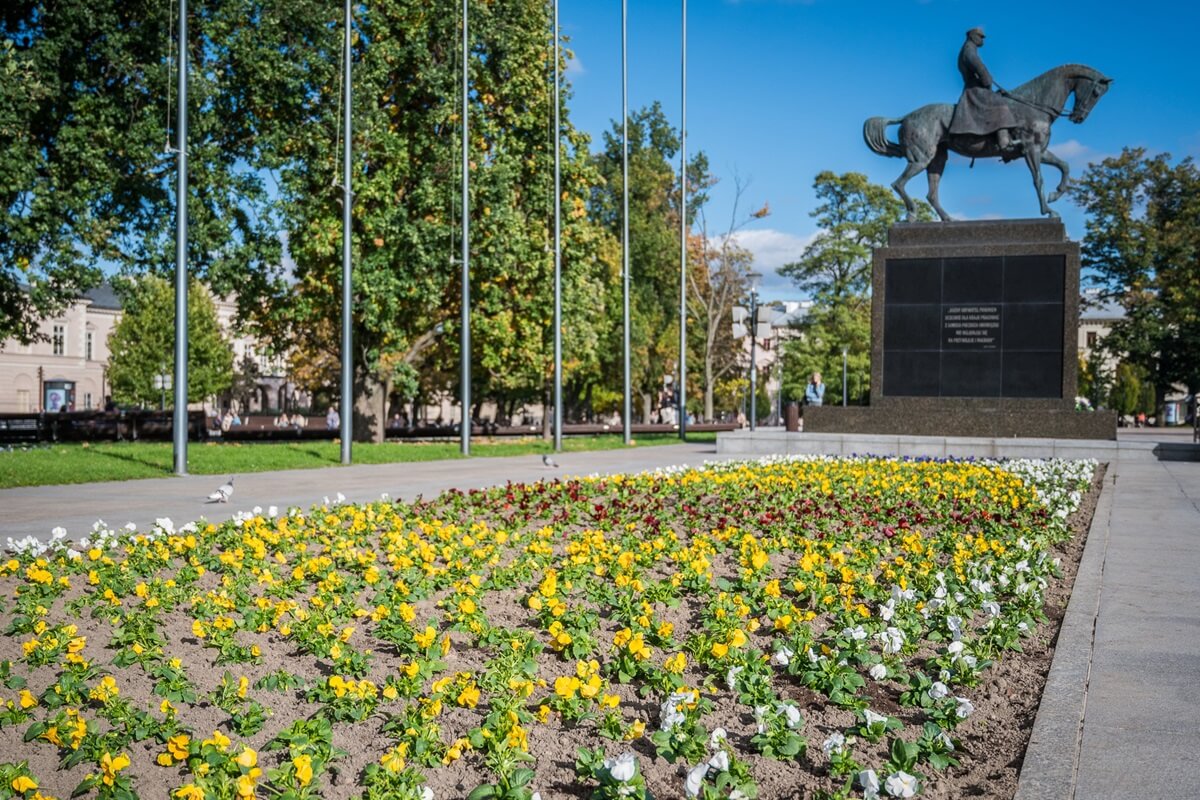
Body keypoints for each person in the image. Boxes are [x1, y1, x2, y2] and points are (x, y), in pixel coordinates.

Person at [948, 28, 1020, 155]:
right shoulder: (969, 50)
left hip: (975, 87)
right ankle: (1003, 141)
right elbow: (980, 69)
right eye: (980, 36)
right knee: (1000, 103)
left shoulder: (969, 49)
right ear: (972, 36)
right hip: (974, 89)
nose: (982, 39)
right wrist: (987, 81)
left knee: (999, 98)